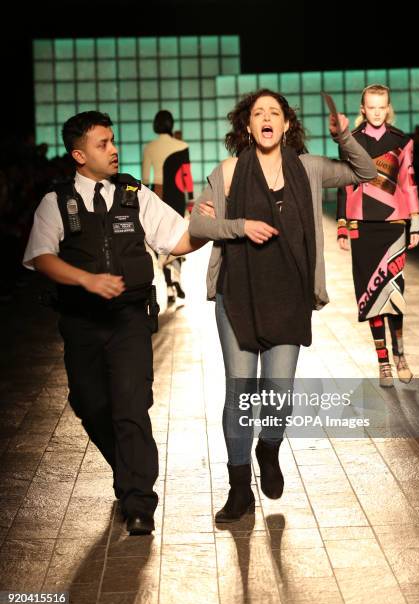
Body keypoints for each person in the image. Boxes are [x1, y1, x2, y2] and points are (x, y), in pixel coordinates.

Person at [188, 89, 377, 522]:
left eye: (275, 113)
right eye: (258, 113)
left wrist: (345, 136)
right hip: (238, 296)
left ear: (287, 124)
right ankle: (239, 490)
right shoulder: (230, 171)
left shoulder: (307, 168)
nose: (267, 118)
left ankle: (268, 448)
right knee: (239, 395)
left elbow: (364, 173)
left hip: (289, 297)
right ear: (248, 126)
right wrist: (238, 226)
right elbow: (198, 222)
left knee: (278, 396)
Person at [23, 111, 204, 535]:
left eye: (113, 140)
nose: (115, 149)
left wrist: (216, 226)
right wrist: (87, 279)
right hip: (81, 321)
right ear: (79, 154)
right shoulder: (56, 201)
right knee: (90, 404)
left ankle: (139, 501)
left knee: (130, 405)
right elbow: (42, 257)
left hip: (129, 317)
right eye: (104, 143)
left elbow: (178, 238)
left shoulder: (133, 194)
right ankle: (129, 468)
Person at [336, 84, 419, 387]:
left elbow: (408, 182)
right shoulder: (351, 142)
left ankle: (400, 356)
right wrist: (343, 225)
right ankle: (383, 362)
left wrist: (415, 220)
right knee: (371, 296)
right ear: (363, 109)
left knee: (394, 295)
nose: (376, 112)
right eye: (371, 107)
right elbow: (345, 184)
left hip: (394, 223)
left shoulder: (401, 141)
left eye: (381, 107)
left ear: (388, 108)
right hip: (363, 225)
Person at [142, 110, 194, 303]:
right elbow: (186, 175)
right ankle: (177, 279)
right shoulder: (182, 145)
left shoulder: (149, 148)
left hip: (157, 194)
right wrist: (191, 200)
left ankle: (169, 285)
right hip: (177, 195)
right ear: (171, 124)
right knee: (178, 236)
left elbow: (146, 178)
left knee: (159, 240)